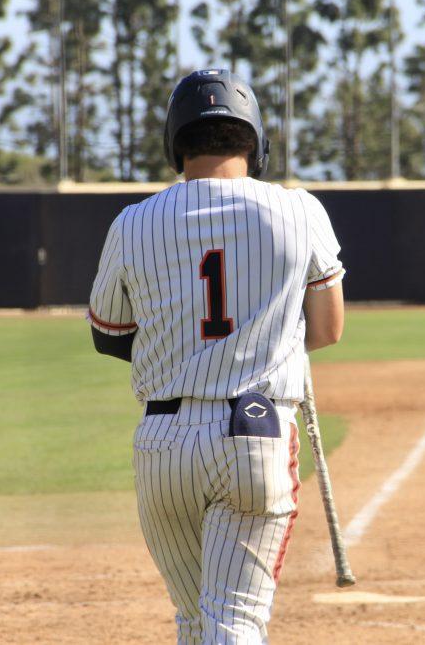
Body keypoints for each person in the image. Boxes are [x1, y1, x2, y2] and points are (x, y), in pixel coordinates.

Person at [88, 69, 346, 643]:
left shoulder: (131, 223)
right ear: (255, 143)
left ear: (174, 143)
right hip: (255, 434)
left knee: (195, 622)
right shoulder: (301, 211)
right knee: (234, 623)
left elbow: (107, 333)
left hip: (162, 443)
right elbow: (327, 330)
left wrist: (184, 351)